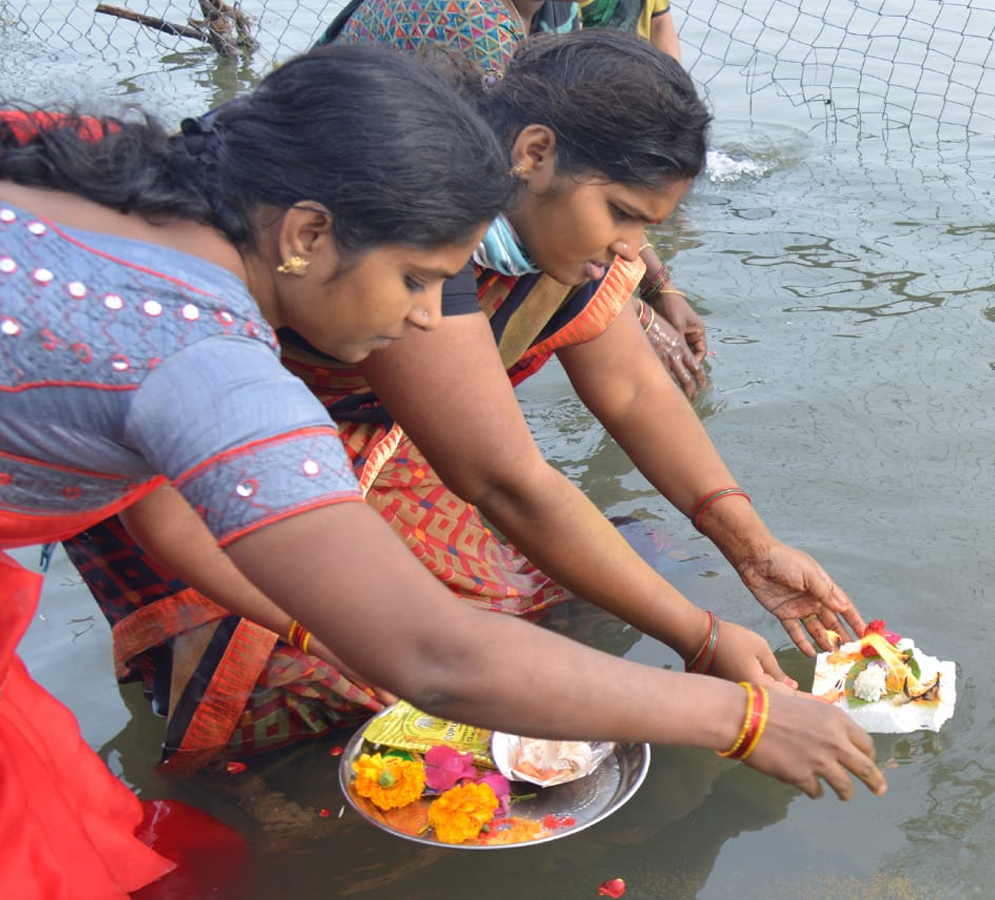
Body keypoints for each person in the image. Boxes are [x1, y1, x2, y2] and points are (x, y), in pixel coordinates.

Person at [1, 38, 885, 900]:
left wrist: (320, 629)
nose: (431, 319)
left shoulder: (76, 166)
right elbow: (437, 651)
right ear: (308, 231)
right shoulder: (207, 361)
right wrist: (744, 718)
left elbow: (161, 508)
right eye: (420, 280)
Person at [321, 0, 708, 397]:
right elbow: (554, 179)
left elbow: (590, 165)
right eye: (622, 214)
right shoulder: (473, 24)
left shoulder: (558, 13)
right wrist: (637, 313)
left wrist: (658, 284)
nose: (628, 247)